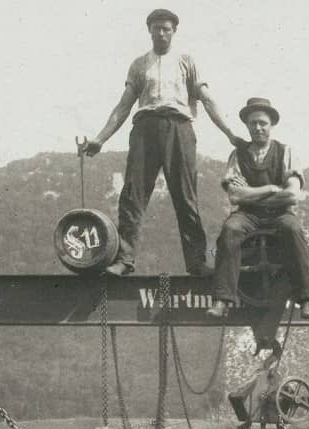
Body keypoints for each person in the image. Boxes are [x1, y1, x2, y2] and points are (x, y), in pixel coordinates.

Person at [82, 9, 244, 276]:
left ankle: (196, 262)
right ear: (149, 31)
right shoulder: (139, 64)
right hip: (145, 129)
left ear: (174, 31)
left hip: (179, 128)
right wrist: (100, 139)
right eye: (156, 28)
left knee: (186, 197)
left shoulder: (186, 61)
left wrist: (229, 133)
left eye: (166, 28)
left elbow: (207, 99)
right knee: (132, 196)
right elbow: (123, 107)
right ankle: (125, 260)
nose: (161, 33)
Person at [206, 97, 309, 320]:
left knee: (293, 229)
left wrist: (253, 194)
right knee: (231, 230)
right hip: (248, 216)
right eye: (253, 123)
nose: (258, 128)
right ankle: (222, 299)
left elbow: (292, 194)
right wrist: (272, 188)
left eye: (262, 123)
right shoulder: (237, 156)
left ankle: (306, 299)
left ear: (271, 125)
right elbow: (235, 196)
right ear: (247, 125)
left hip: (280, 214)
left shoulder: (286, 152)